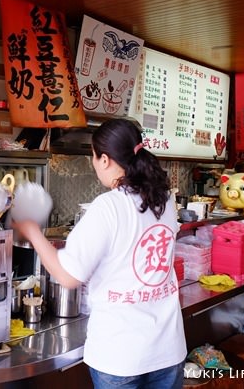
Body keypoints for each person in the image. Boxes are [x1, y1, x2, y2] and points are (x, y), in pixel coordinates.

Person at [13, 118, 186, 389]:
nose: (94, 164)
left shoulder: (108, 207)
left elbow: (68, 276)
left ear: (104, 159)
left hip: (120, 356)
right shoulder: (164, 199)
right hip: (168, 350)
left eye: (93, 157)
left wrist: (31, 230)